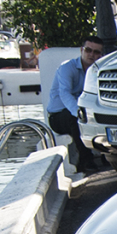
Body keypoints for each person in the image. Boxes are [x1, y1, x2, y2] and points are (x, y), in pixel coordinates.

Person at [46, 36, 105, 172]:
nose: (92, 55)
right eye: (88, 50)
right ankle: (86, 161)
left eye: (96, 52)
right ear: (81, 50)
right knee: (75, 118)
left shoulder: (98, 70)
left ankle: (106, 155)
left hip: (82, 111)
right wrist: (80, 113)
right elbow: (65, 94)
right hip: (58, 116)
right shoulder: (67, 68)